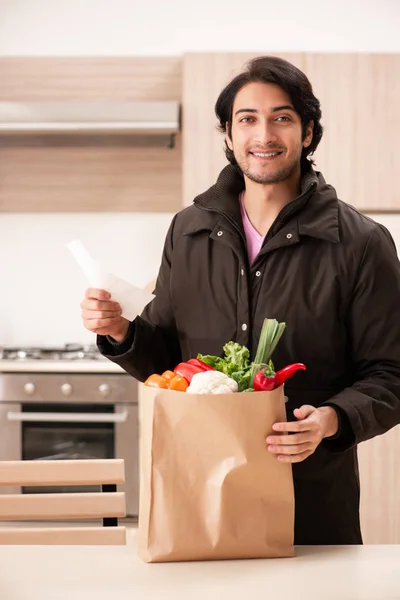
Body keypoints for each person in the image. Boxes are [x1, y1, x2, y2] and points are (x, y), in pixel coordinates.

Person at [80, 56, 400, 545]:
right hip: (199, 490)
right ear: (228, 135)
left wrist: (332, 420)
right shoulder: (189, 230)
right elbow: (169, 361)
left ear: (308, 132)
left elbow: (391, 373)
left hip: (310, 500)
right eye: (247, 119)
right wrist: (121, 332)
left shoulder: (360, 242)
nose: (263, 134)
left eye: (282, 117)